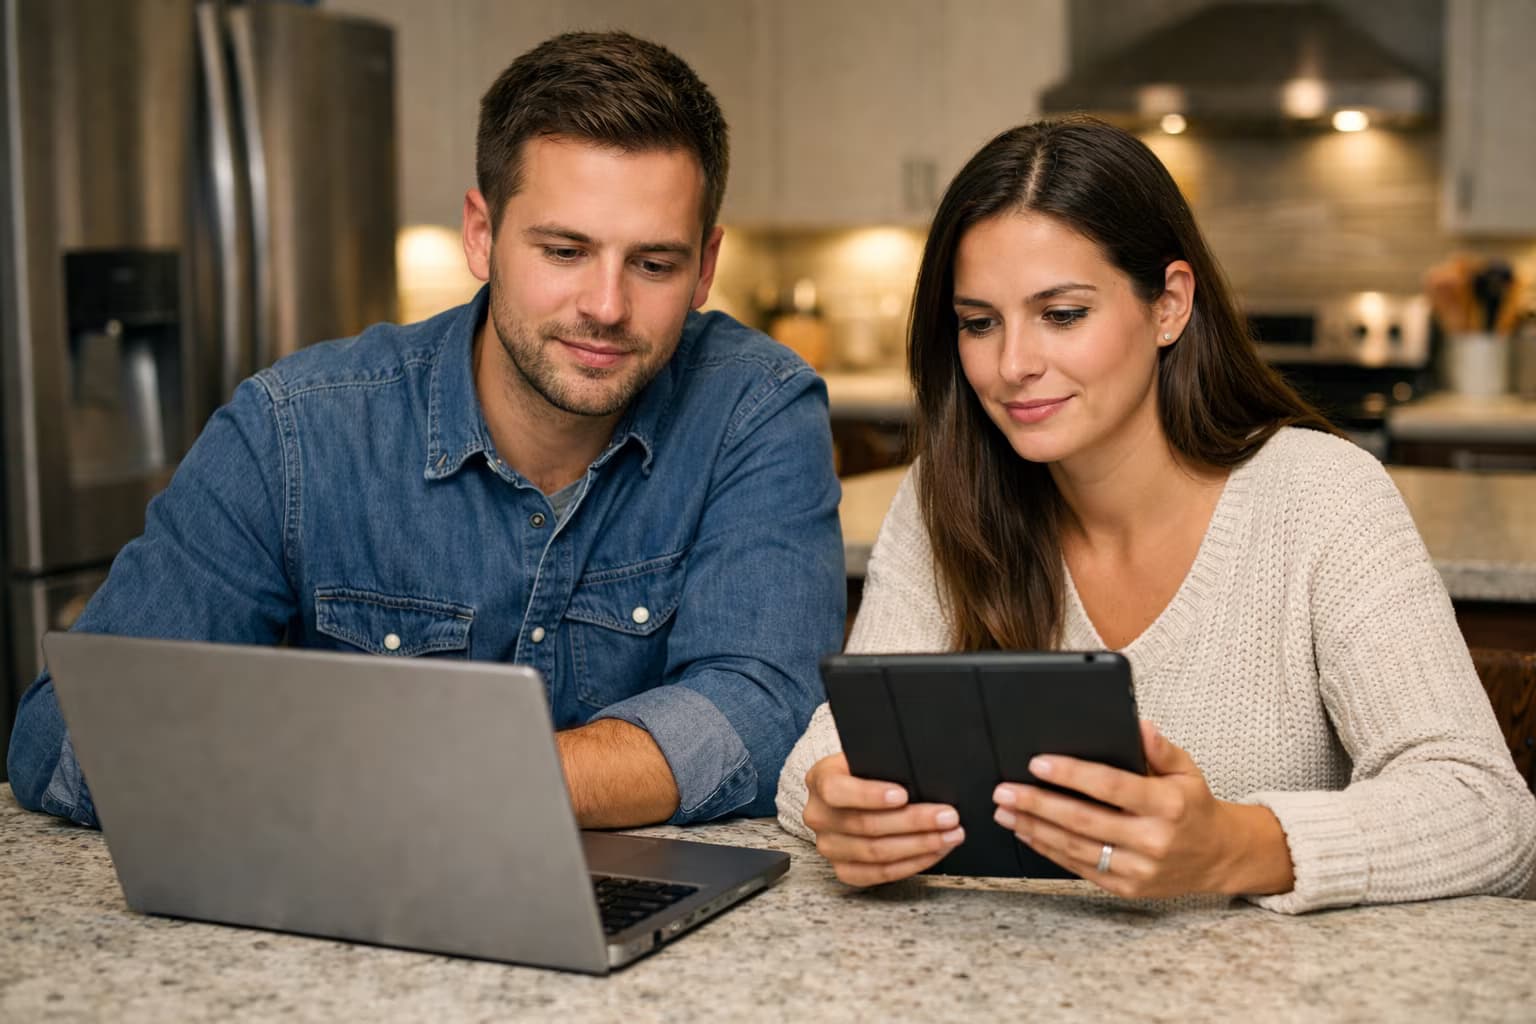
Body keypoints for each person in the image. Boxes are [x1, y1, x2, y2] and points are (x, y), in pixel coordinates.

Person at [9, 31, 845, 831]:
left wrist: (410, 777)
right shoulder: (298, 429)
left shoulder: (756, 408)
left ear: (706, 267)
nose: (606, 306)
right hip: (346, 919)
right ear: (481, 235)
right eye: (563, 251)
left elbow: (764, 707)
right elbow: (65, 738)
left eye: (654, 264)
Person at [776, 116, 1536, 913]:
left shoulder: (1322, 499)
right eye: (979, 322)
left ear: (1170, 305)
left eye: (1062, 314)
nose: (1012, 366)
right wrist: (836, 803)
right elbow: (829, 748)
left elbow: (1489, 811)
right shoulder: (947, 494)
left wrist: (1237, 846)